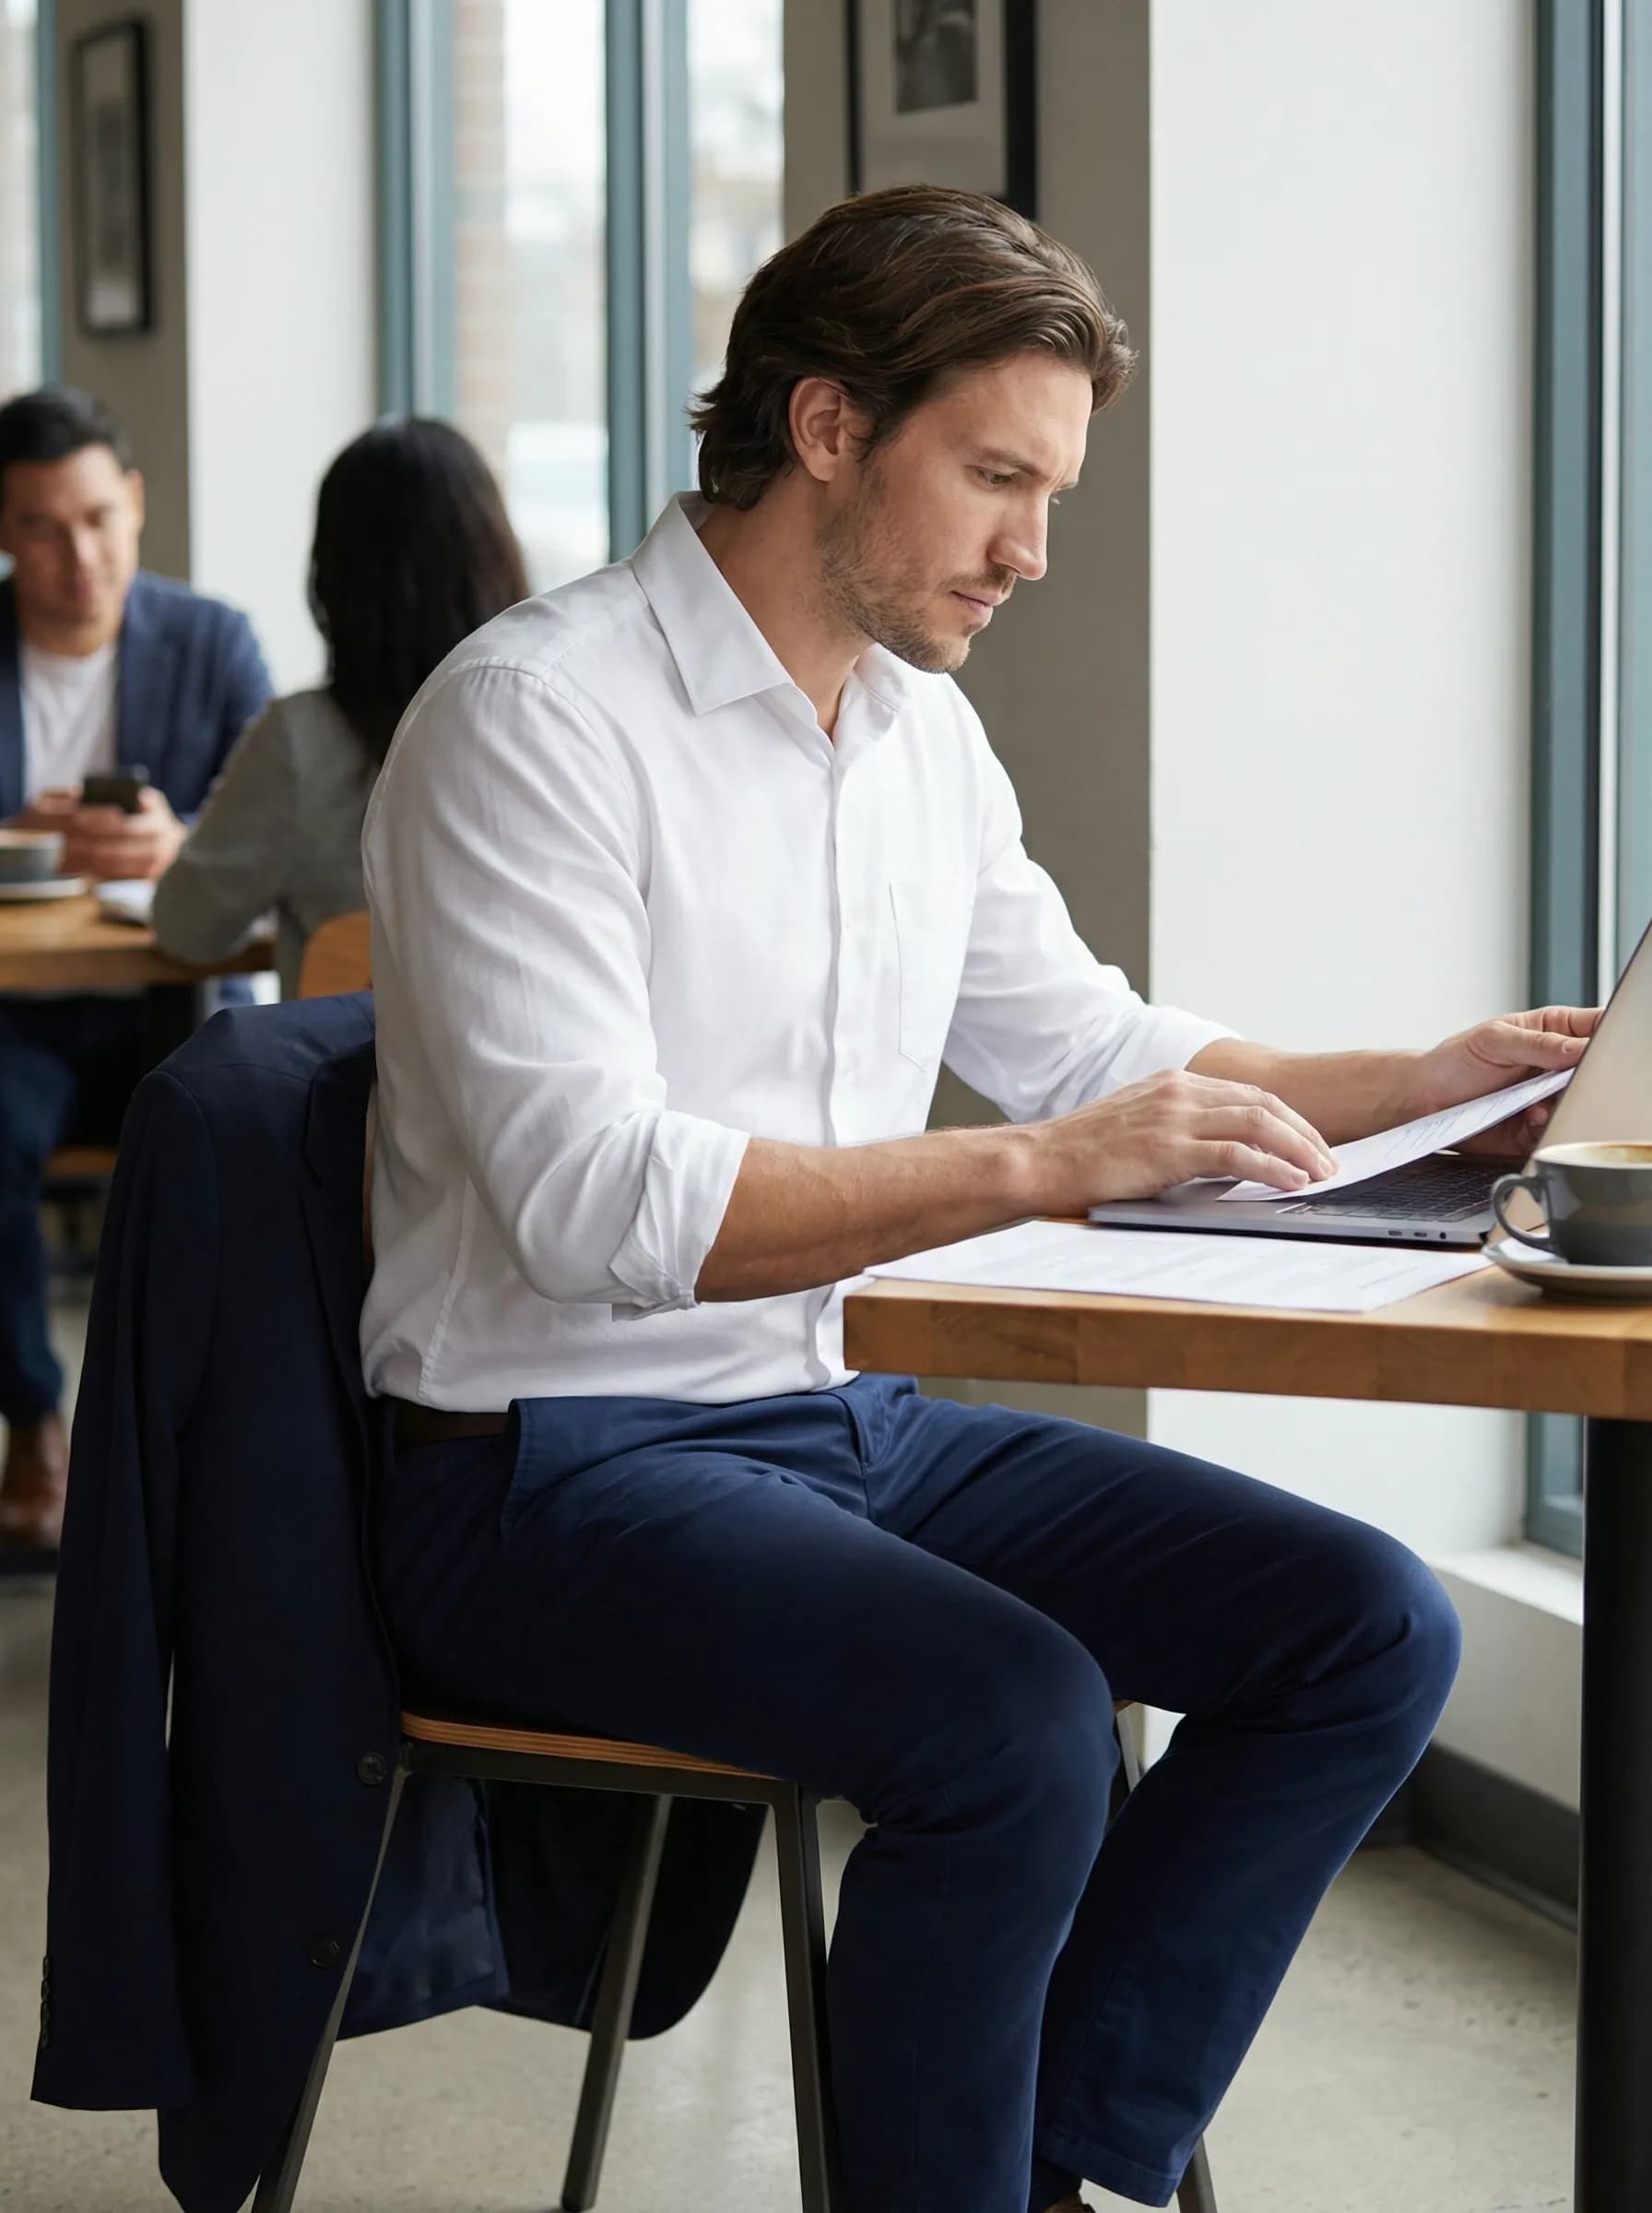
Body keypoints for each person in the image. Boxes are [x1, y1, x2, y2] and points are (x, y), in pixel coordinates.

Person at [360, 187, 1591, 2213]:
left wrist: (1427, 1081)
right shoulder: (534, 722)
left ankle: (1033, 2167)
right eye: (996, 478)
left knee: (1359, 1626)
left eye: (1050, 489)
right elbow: (594, 1204)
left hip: (827, 1424)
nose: (1028, 550)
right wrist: (1031, 1169)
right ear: (830, 428)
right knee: (1015, 1722)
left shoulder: (915, 735)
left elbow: (1096, 1052)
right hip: (543, 1470)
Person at [0, 385, 271, 1554]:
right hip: (16, 1019)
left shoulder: (211, 641)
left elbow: (262, 838)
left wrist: (185, 846)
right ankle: (33, 1423)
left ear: (138, 504)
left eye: (101, 519)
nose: (81, 557)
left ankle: (198, 1443)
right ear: (4, 533)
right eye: (44, 529)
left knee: (237, 1137)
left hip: (175, 1005)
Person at [151, 418, 529, 999]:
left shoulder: (302, 743)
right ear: (497, 556)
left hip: (361, 1085)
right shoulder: (552, 722)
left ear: (334, 576)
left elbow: (186, 928)